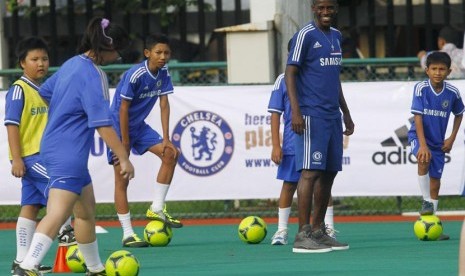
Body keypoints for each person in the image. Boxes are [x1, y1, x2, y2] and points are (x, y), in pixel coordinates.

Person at [13, 18, 134, 276]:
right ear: (106, 46)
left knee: (86, 211)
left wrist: (66, 111)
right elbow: (102, 124)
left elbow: (46, 92)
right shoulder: (94, 74)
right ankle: (27, 267)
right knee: (57, 213)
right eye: (117, 50)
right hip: (68, 153)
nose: (119, 55)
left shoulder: (71, 64)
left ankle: (95, 269)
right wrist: (123, 156)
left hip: (58, 148)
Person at [285, 0, 354, 253]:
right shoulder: (304, 34)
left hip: (332, 116)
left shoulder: (336, 36)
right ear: (314, 9)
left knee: (329, 173)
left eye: (330, 8)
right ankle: (302, 234)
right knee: (310, 173)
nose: (326, 12)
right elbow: (290, 73)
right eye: (321, 8)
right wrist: (296, 110)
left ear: (336, 9)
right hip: (311, 115)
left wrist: (345, 112)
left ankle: (318, 230)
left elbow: (335, 78)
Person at [4, 36, 76, 275]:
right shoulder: (18, 89)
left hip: (44, 156)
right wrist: (17, 158)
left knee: (31, 206)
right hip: (32, 157)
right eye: (34, 59)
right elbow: (12, 125)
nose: (41, 63)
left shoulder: (48, 90)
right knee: (62, 194)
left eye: (44, 58)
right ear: (22, 63)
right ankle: (66, 233)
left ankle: (20, 262)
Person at [107, 33, 181, 248]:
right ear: (147, 53)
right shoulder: (135, 74)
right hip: (118, 128)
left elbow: (164, 104)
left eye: (166, 53)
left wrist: (166, 139)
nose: (163, 56)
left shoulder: (164, 72)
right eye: (158, 52)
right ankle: (128, 233)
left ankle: (157, 208)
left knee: (170, 153)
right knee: (122, 179)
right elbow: (122, 109)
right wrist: (125, 143)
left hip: (139, 126)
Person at [268, 39, 337, 245]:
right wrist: (276, 145)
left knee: (322, 184)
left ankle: (327, 227)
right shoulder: (282, 80)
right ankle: (281, 230)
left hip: (315, 137)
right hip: (292, 142)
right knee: (289, 184)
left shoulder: (317, 77)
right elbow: (274, 114)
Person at [408, 51, 464, 241]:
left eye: (442, 69)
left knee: (435, 182)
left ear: (449, 71)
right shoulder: (421, 88)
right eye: (434, 69)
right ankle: (425, 202)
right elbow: (418, 117)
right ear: (427, 70)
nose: (438, 73)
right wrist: (423, 146)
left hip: (439, 142)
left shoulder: (453, 93)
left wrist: (451, 138)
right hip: (419, 135)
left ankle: (433, 224)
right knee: (423, 160)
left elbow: (459, 114)